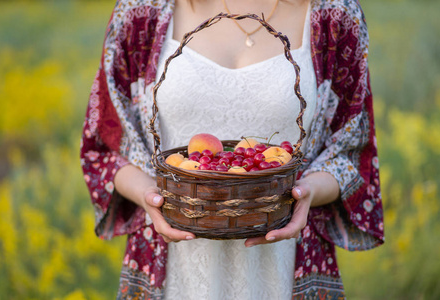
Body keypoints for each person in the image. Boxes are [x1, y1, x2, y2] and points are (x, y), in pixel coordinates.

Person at [80, 0, 384, 298]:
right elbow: (106, 146)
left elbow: (351, 153)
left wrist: (307, 192)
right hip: (173, 260)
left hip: (284, 260)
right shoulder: (140, 11)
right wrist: (150, 194)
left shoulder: (335, 15)